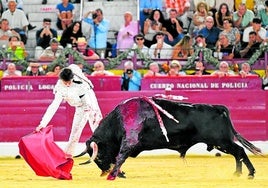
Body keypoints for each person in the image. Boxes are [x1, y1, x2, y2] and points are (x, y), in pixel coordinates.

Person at [35, 64, 103, 157]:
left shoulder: (81, 84)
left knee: (97, 128)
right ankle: (68, 155)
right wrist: (42, 124)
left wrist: (87, 112)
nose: (67, 84)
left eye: (69, 82)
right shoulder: (60, 86)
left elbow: (88, 104)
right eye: (65, 82)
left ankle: (107, 151)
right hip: (79, 105)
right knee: (75, 131)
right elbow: (54, 106)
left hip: (89, 101)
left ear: (72, 78)